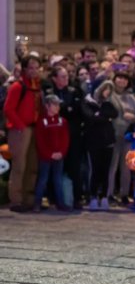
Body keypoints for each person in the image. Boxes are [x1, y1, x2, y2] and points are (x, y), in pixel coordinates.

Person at [4, 55, 42, 212]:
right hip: (21, 130)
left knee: (32, 166)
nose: (34, 70)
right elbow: (8, 109)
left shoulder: (37, 86)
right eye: (31, 67)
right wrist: (20, 126)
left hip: (34, 129)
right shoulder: (18, 87)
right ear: (25, 69)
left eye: (36, 67)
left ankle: (29, 199)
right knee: (20, 166)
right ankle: (16, 200)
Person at [44, 66, 85, 209]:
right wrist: (67, 109)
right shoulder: (49, 93)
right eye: (62, 77)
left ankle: (76, 198)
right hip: (53, 135)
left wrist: (65, 110)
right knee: (53, 168)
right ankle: (54, 198)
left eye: (67, 76)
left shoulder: (74, 92)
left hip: (72, 135)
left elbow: (76, 111)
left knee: (74, 166)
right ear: (54, 78)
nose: (66, 79)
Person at [82, 81, 118, 211]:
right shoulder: (88, 102)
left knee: (105, 171)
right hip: (93, 142)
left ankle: (104, 197)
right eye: (105, 89)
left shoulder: (108, 103)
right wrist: (103, 116)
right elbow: (91, 118)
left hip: (108, 142)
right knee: (95, 170)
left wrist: (101, 115)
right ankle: (93, 196)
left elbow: (114, 114)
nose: (107, 92)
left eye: (109, 90)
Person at [33, 94, 70, 212]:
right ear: (47, 106)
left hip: (59, 156)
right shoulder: (42, 121)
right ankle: (37, 203)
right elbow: (40, 141)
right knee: (43, 179)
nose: (57, 107)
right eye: (55, 104)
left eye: (58, 104)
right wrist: (49, 154)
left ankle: (60, 203)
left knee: (58, 180)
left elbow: (65, 139)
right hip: (45, 157)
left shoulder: (62, 121)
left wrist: (61, 152)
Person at [108, 72, 135, 205]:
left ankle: (124, 194)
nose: (122, 81)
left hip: (127, 135)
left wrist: (133, 117)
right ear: (114, 79)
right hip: (112, 134)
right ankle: (109, 194)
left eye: (125, 78)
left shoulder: (131, 97)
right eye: (119, 77)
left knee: (126, 166)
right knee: (112, 166)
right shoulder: (109, 94)